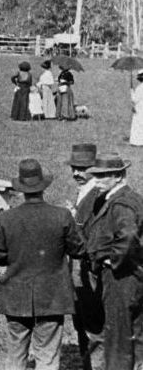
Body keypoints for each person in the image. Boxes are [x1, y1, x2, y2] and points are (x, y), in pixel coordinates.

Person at [0, 158, 83, 370]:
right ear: (43, 187)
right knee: (48, 356)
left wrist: (14, 258)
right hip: (52, 296)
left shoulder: (7, 218)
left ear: (21, 189)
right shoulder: (62, 216)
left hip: (15, 295)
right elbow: (78, 249)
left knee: (16, 352)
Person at [84, 153, 143, 369]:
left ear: (118, 176)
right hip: (134, 276)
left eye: (101, 177)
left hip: (121, 279)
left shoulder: (121, 204)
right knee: (134, 335)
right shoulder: (131, 197)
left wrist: (111, 260)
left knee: (117, 338)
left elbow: (127, 236)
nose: (96, 181)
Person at [67, 143, 104, 370]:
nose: (76, 173)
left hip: (88, 270)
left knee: (93, 325)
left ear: (94, 169)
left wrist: (73, 221)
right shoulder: (84, 191)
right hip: (77, 269)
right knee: (81, 321)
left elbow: (94, 234)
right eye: (74, 168)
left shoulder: (97, 195)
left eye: (82, 168)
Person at [130, 71, 143, 147]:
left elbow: (134, 99)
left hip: (140, 108)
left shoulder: (140, 88)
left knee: (138, 125)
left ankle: (138, 141)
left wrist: (131, 91)